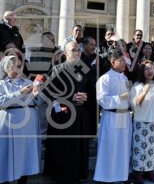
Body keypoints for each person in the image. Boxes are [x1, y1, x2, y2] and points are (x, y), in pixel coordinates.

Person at [43, 42, 91, 183]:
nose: (77, 52)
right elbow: (49, 93)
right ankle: (61, 177)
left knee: (78, 147)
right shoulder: (57, 70)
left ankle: (77, 176)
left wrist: (86, 96)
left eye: (78, 50)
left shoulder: (85, 70)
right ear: (65, 53)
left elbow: (92, 90)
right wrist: (70, 98)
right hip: (63, 117)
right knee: (63, 148)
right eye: (73, 50)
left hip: (80, 116)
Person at [0, 55, 42, 184]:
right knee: (7, 155)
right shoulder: (1, 84)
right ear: (7, 69)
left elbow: (39, 102)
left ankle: (23, 180)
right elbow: (2, 101)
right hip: (10, 123)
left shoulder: (28, 82)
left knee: (26, 156)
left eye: (20, 66)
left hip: (29, 123)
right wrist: (20, 93)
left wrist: (36, 94)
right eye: (15, 67)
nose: (19, 69)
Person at [93, 49, 132, 183]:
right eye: (121, 60)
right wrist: (120, 97)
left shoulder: (125, 77)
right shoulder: (104, 78)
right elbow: (102, 100)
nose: (124, 63)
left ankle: (122, 175)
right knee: (110, 146)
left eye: (124, 60)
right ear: (113, 62)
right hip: (111, 116)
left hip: (124, 116)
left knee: (122, 146)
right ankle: (106, 176)